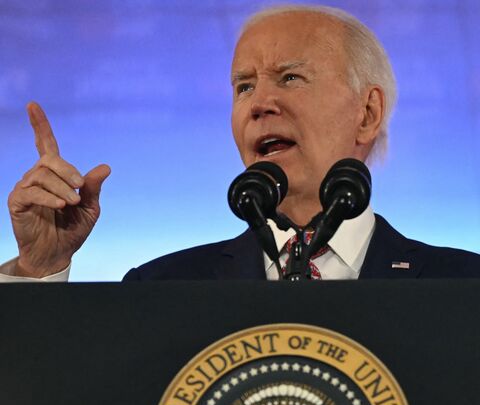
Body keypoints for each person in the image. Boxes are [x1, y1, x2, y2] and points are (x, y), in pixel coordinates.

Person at [1, 5, 479, 282]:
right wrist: (42, 269)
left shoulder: (462, 287)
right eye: (244, 86)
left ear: (367, 113)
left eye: (290, 77)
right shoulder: (164, 289)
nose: (259, 103)